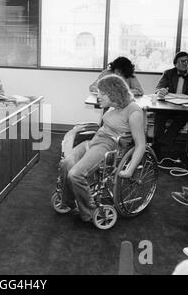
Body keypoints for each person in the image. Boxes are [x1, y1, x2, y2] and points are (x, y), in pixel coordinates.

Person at [58, 74, 146, 223]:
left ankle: (90, 211)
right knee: (66, 163)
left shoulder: (134, 112)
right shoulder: (114, 106)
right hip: (95, 141)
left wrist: (130, 169)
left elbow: (141, 145)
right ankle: (69, 201)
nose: (98, 96)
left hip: (108, 147)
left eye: (102, 93)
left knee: (75, 174)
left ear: (114, 93)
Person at [153, 51, 188, 153]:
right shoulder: (168, 73)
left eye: (187, 61)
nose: (185, 63)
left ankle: (162, 142)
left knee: (183, 117)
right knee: (159, 115)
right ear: (175, 64)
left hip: (185, 109)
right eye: (182, 61)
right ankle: (157, 146)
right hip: (168, 107)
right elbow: (158, 89)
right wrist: (161, 92)